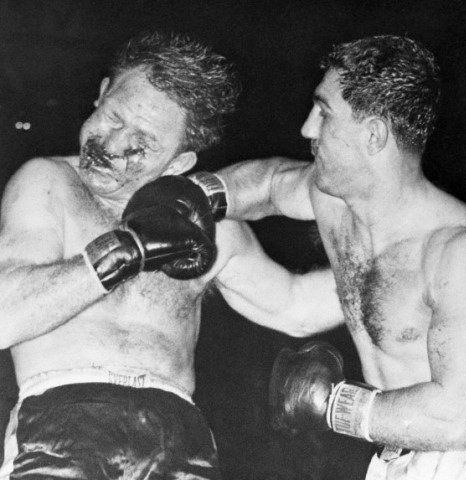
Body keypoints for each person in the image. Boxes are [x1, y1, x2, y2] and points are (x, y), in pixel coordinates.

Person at [0, 30, 344, 479]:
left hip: (179, 437)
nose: (112, 145)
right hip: (60, 427)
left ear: (179, 164)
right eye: (113, 116)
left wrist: (387, 269)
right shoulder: (49, 183)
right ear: (102, 92)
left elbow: (296, 307)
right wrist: (125, 250)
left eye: (142, 142)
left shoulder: (202, 223)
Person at [192, 35, 466, 478]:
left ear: (373, 134)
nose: (307, 128)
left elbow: (455, 419)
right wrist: (192, 200)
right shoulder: (337, 205)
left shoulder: (464, 254)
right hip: (394, 454)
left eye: (324, 113)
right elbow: (271, 185)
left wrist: (331, 403)